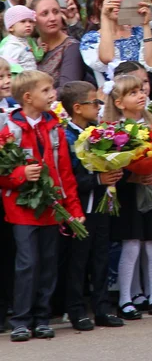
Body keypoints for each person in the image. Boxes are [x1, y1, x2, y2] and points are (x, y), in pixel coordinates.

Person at [0, 70, 84, 342]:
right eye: (46, 91)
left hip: (51, 207)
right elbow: (3, 172)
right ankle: (21, 320)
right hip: (22, 209)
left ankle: (42, 318)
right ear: (28, 97)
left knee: (48, 264)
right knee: (27, 263)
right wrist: (21, 176)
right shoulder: (9, 129)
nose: (53, 95)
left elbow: (65, 174)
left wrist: (74, 209)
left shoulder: (55, 127)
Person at [104, 75, 152, 320]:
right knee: (131, 244)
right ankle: (126, 299)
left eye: (142, 90)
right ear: (120, 102)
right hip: (129, 193)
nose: (141, 95)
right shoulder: (114, 129)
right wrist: (130, 177)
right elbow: (108, 162)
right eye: (133, 93)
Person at [60, 82, 124, 331]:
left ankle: (102, 308)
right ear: (77, 108)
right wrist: (98, 179)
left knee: (101, 257)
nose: (99, 107)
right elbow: (67, 176)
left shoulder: (99, 131)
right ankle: (76, 310)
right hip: (79, 209)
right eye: (94, 102)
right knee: (78, 261)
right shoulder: (66, 136)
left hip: (100, 204)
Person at [80, 0, 152, 87]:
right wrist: (105, 16)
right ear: (100, 4)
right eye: (112, 0)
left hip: (141, 95)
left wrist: (145, 25)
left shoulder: (138, 33)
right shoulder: (92, 38)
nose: (117, 5)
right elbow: (107, 58)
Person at [34, 0, 86, 89]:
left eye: (56, 12)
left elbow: (67, 88)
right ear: (33, 19)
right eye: (45, 14)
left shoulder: (71, 47)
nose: (52, 18)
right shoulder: (30, 44)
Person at [0, 5, 39, 71]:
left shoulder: (26, 41)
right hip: (22, 80)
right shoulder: (11, 45)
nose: (28, 25)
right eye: (23, 21)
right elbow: (10, 69)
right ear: (11, 27)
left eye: (30, 21)